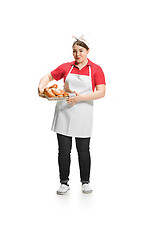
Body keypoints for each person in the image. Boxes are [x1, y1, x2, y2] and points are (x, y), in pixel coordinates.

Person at [38, 35, 106, 195]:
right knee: (63, 150)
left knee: (83, 150)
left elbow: (101, 92)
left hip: (83, 113)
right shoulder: (66, 67)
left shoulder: (96, 69)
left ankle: (85, 182)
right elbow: (48, 76)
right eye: (74, 51)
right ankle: (64, 183)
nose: (77, 54)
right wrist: (40, 88)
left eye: (81, 51)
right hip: (63, 112)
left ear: (87, 51)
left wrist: (80, 98)